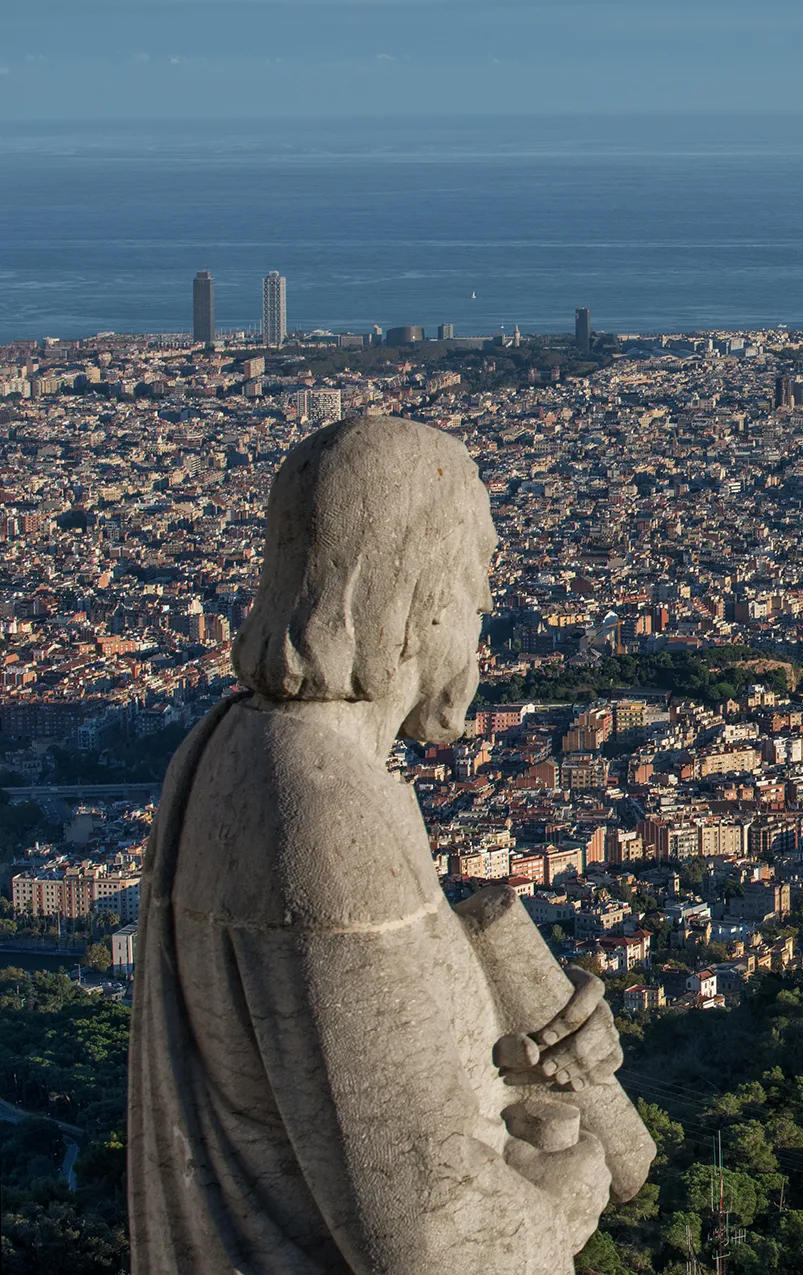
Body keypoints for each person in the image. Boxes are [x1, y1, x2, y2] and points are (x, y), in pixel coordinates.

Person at [129, 417, 642, 1275]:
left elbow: (359, 1078)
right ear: (422, 595)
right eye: (479, 603)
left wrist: (542, 1052)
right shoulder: (324, 815)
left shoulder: (235, 747)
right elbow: (437, 1242)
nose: (480, 636)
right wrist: (576, 1187)